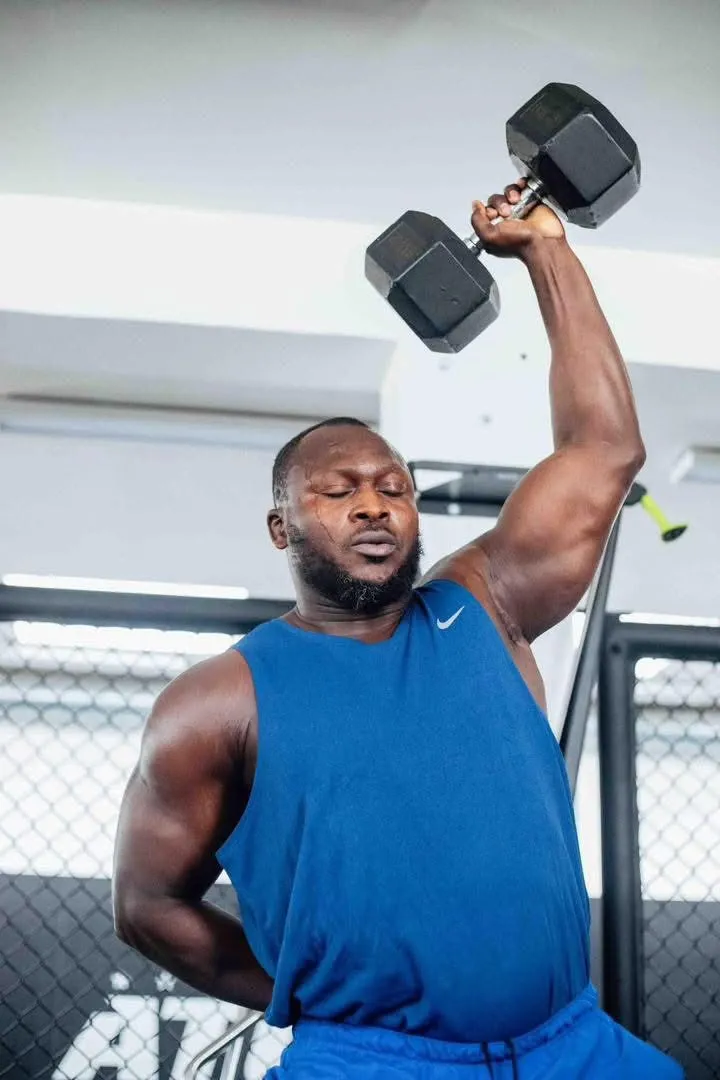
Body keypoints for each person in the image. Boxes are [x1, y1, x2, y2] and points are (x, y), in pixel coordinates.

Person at [113, 184, 684, 1079]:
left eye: (393, 488)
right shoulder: (218, 701)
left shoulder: (486, 602)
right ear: (281, 528)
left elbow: (603, 449)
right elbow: (148, 905)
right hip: (370, 1060)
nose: (374, 505)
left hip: (574, 1045)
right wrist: (312, 998)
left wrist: (547, 250)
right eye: (338, 492)